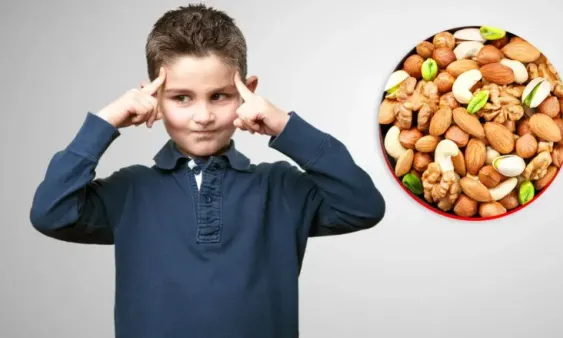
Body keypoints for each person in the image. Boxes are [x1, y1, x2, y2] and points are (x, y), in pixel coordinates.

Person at [29, 3, 386, 338]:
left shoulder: (281, 187)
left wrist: (283, 126)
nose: (203, 116)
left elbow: (363, 206)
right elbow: (51, 213)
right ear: (153, 98)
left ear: (249, 94)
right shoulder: (129, 191)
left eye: (219, 96)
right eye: (181, 97)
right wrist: (106, 121)